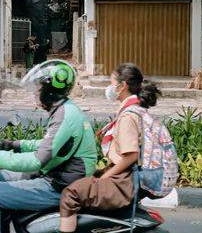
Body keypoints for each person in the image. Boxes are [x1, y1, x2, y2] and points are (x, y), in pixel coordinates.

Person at [0, 60, 98, 233]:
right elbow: (50, 145)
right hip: (62, 176)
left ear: (50, 91)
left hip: (62, 186)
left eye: (38, 89)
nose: (35, 93)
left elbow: (37, 160)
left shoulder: (64, 116)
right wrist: (15, 145)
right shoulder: (66, 109)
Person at [58, 63, 162, 233]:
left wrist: (105, 176)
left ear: (122, 86)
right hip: (127, 176)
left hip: (123, 181)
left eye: (112, 83)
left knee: (70, 194)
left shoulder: (128, 116)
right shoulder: (136, 108)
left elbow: (131, 156)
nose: (109, 88)